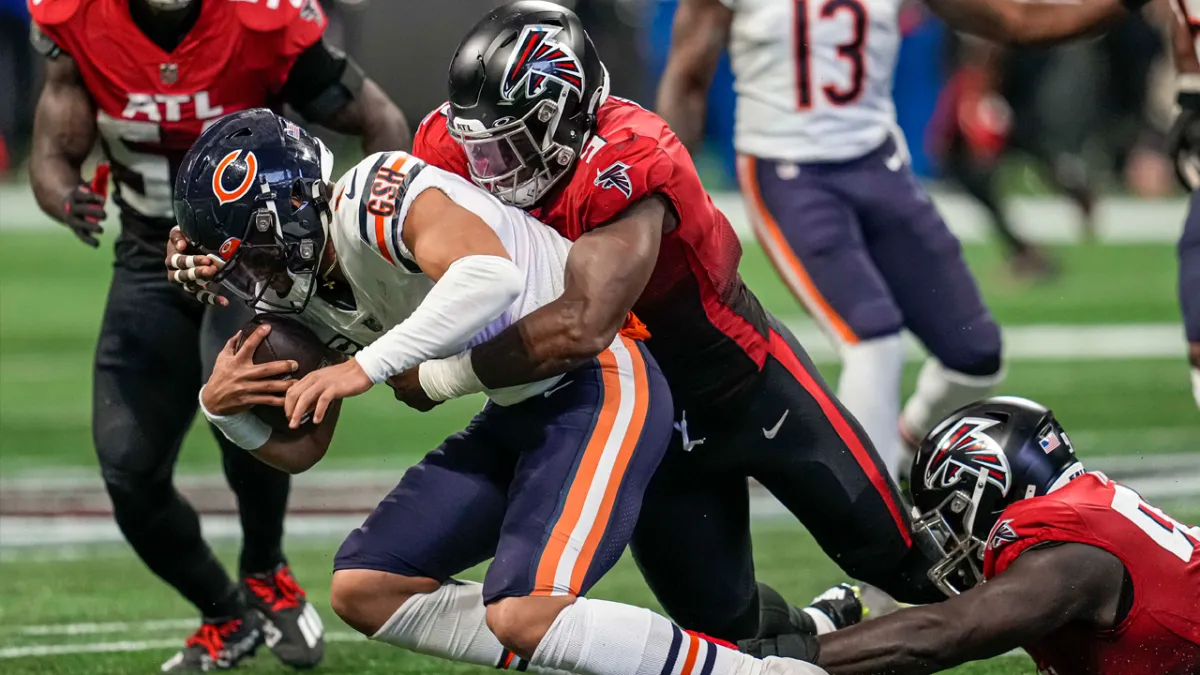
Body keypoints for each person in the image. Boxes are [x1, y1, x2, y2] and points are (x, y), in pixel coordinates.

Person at [171, 0, 939, 644]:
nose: (493, 170)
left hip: (735, 383)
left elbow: (581, 324)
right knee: (726, 628)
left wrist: (429, 372)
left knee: (905, 558)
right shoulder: (451, 150)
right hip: (642, 425)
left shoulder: (629, 157)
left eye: (510, 147)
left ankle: (1025, 601)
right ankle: (819, 628)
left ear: (567, 116)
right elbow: (402, 254)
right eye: (480, 148)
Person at [175, 107, 829, 675]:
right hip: (517, 410)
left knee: (523, 612)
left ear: (288, 207)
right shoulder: (308, 287)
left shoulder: (369, 194)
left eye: (254, 251)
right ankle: (616, 651)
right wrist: (222, 410)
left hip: (599, 381)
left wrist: (365, 365)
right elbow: (306, 443)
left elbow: (489, 276)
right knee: (364, 586)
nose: (255, 277)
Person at [27, 0, 408, 670]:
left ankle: (266, 567)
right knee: (128, 467)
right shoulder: (79, 17)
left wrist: (357, 252)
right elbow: (52, 155)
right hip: (152, 254)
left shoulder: (259, 20)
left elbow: (380, 119)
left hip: (261, 259)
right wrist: (65, 196)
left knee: (252, 399)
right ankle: (225, 612)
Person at [741, 396, 1200, 674]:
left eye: (948, 517)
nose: (949, 541)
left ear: (981, 488)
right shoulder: (1089, 512)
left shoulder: (1067, 553)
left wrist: (788, 660)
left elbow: (945, 634)